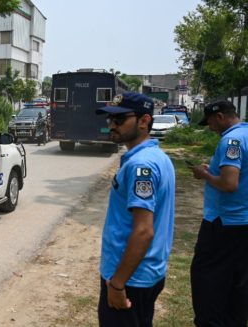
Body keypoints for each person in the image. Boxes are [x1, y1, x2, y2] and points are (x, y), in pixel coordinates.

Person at [95, 92, 175, 326]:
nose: (111, 125)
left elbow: (144, 231)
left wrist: (118, 283)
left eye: (119, 120)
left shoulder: (142, 165)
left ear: (144, 121)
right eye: (110, 119)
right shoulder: (155, 157)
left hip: (130, 279)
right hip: (143, 274)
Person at [190, 100, 248, 326]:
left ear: (221, 117)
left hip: (224, 224)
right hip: (243, 222)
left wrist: (203, 174)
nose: (210, 127)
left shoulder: (231, 140)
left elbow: (229, 183)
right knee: (239, 285)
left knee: (208, 283)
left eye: (211, 122)